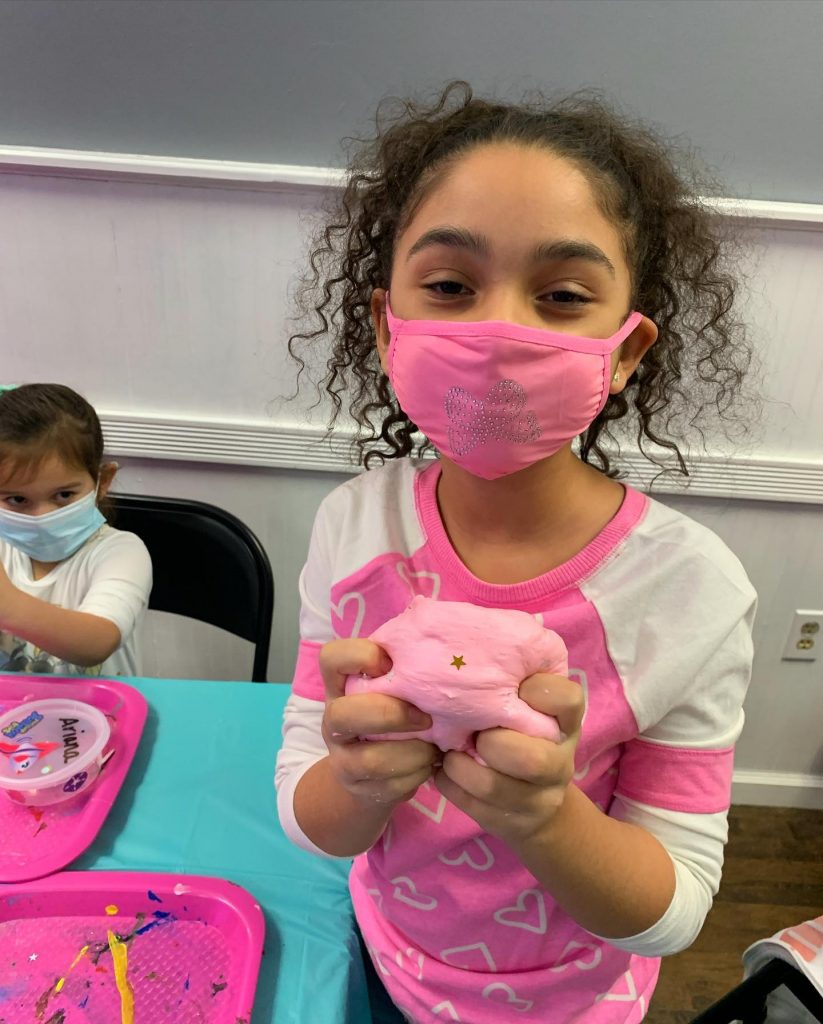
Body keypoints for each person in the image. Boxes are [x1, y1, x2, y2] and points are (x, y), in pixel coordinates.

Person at [275, 82, 757, 1023]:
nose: (500, 336)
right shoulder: (352, 528)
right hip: (383, 951)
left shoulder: (689, 590)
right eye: (450, 286)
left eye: (563, 297)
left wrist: (543, 814)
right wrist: (355, 780)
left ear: (623, 352)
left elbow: (673, 908)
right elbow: (310, 808)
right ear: (385, 324)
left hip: (569, 1001)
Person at [0, 383, 152, 677]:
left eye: (64, 495)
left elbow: (97, 642)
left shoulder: (122, 553)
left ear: (102, 481)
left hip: (104, 714)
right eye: (17, 499)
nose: (42, 517)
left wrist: (8, 607)